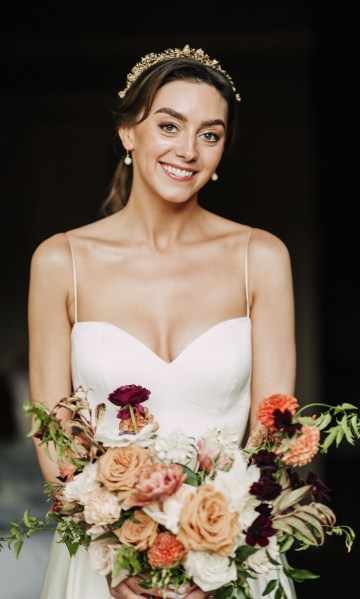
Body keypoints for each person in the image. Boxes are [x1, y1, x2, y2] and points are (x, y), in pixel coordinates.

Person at [28, 44, 296, 599]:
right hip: (101, 564)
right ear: (128, 132)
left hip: (229, 557)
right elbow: (53, 435)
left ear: (224, 148)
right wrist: (118, 552)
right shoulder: (60, 262)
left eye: (210, 134)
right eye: (170, 125)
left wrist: (214, 552)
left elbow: (272, 435)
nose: (189, 151)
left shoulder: (261, 258)